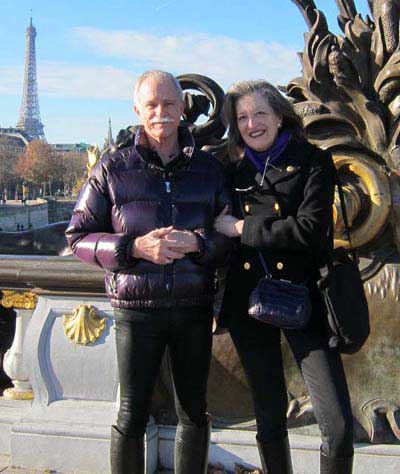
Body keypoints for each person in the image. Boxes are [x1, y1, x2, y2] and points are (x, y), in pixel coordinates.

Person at [66, 70, 232, 474]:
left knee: (195, 412)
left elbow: (231, 236)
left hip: (193, 306)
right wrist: (134, 247)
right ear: (137, 109)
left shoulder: (209, 171)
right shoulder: (112, 168)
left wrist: (198, 243)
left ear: (182, 109)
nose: (161, 113)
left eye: (170, 104)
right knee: (132, 414)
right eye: (152, 105)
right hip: (137, 311)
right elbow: (78, 236)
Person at [215, 80, 354, 474]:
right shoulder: (229, 168)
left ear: (279, 116)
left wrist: (242, 229)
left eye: (260, 113)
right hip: (249, 301)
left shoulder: (312, 161)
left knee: (339, 426)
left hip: (305, 297)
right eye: (242, 117)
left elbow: (309, 230)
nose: (252, 124)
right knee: (270, 417)